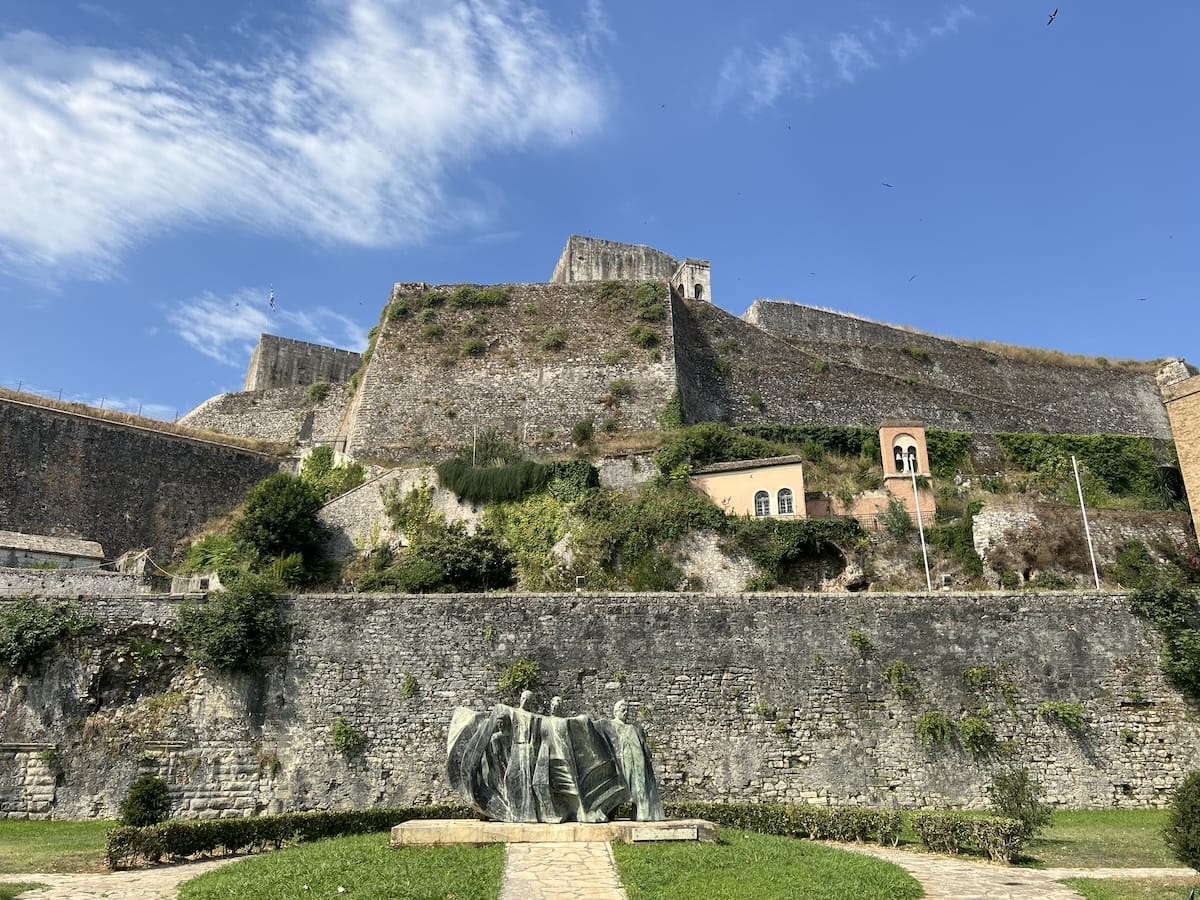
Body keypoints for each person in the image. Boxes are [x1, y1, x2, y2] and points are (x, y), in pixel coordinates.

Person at [599, 700, 665, 821]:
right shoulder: (608, 725)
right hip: (619, 763)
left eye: (627, 710)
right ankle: (609, 811)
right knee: (617, 787)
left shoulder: (634, 728)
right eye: (622, 710)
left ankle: (641, 812)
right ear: (615, 712)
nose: (626, 712)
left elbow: (644, 746)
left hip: (637, 764)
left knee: (639, 789)